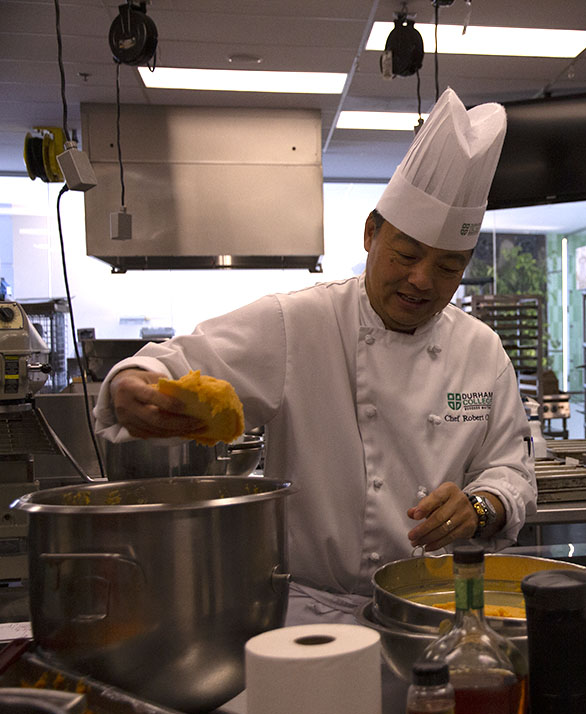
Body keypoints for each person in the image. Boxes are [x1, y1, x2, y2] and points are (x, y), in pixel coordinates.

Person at [94, 87, 538, 625]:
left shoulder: (481, 350)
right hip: (311, 611)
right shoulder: (297, 323)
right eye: (407, 254)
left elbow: (510, 472)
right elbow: (176, 363)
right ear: (372, 234)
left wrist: (480, 506)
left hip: (437, 608)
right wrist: (135, 382)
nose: (422, 280)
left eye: (448, 267)